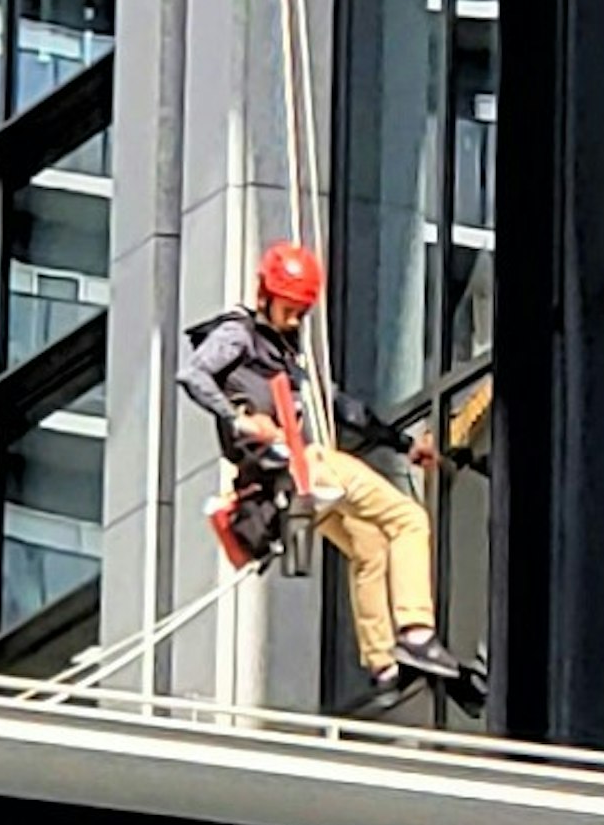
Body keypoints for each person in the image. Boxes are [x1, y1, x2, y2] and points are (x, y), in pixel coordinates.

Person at [181, 244, 473, 708]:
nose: (295, 320)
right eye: (289, 310)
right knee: (408, 519)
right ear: (266, 296)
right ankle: (417, 631)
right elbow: (194, 375)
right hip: (303, 467)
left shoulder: (282, 351)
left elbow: (343, 406)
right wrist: (237, 419)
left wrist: (403, 444)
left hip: (291, 480)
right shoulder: (239, 334)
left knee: (369, 548)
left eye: (301, 312)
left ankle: (384, 666)